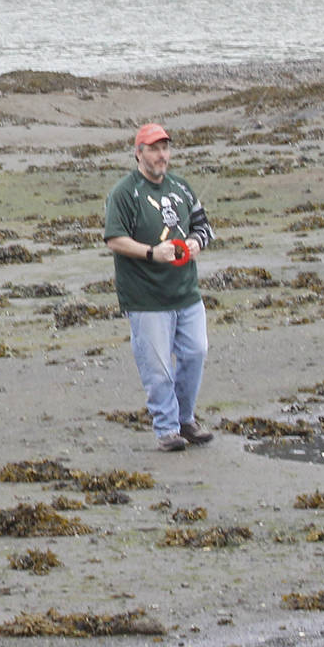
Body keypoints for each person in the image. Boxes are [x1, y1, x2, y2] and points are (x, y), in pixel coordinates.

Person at [103, 122, 216, 453]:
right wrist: (153, 252)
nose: (161, 155)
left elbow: (203, 226)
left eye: (165, 148)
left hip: (186, 291)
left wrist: (196, 242)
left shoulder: (181, 187)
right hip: (145, 297)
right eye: (153, 148)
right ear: (139, 153)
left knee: (196, 352)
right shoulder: (124, 193)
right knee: (158, 368)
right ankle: (166, 427)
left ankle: (186, 419)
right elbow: (114, 239)